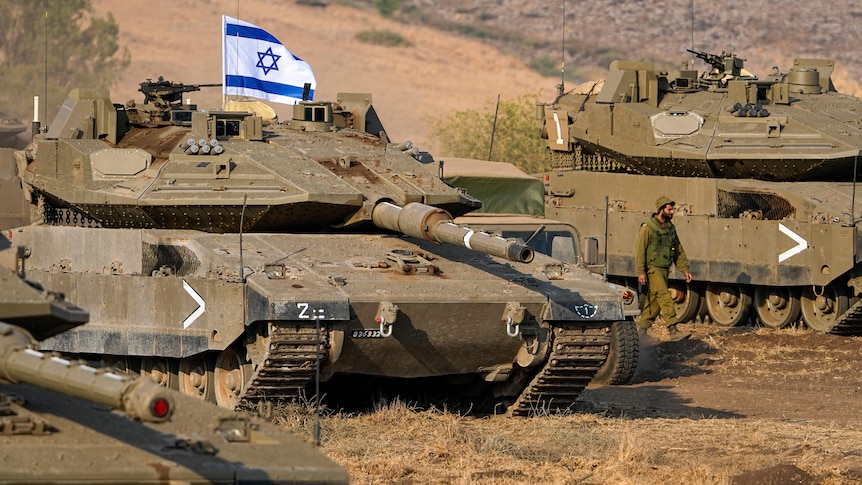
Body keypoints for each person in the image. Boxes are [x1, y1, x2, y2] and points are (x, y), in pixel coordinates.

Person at [635, 196, 693, 340]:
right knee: (664, 295)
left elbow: (678, 250)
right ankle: (672, 329)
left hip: (664, 268)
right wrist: (641, 271)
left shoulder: (670, 228)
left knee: (654, 302)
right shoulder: (648, 227)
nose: (672, 212)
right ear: (661, 210)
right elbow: (640, 251)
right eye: (669, 209)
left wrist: (685, 269)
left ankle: (642, 331)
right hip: (652, 268)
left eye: (672, 209)